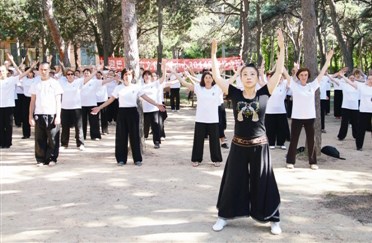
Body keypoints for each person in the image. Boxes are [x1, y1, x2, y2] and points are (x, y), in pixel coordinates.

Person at [210, 29, 285, 235]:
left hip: (260, 146)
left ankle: (273, 218)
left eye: (252, 74)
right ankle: (224, 216)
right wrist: (214, 55)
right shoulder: (233, 92)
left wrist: (281, 49)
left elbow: (278, 72)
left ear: (257, 76)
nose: (249, 77)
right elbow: (216, 76)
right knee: (233, 181)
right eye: (245, 74)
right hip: (238, 146)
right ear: (241, 77)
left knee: (264, 180)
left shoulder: (264, 92)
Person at [91, 68, 165, 166]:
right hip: (122, 112)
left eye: (129, 74)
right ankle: (121, 159)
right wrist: (99, 108)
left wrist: (157, 104)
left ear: (132, 77)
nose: (127, 76)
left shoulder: (136, 87)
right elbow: (110, 100)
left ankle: (137, 159)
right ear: (123, 76)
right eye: (125, 74)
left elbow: (146, 97)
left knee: (135, 136)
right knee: (121, 136)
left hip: (133, 112)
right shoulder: (118, 88)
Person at [286, 50, 334, 170]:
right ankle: (290, 161)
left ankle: (313, 162)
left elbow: (322, 73)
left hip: (309, 117)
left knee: (311, 140)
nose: (303, 77)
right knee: (294, 140)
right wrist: (281, 49)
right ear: (298, 76)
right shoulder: (294, 85)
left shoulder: (312, 86)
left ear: (308, 76)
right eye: (301, 75)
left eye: (305, 75)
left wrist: (328, 60)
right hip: (297, 117)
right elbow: (284, 72)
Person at [173, 69, 223, 167]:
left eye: (210, 77)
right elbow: (183, 83)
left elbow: (228, 82)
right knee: (198, 140)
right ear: (203, 79)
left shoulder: (217, 88)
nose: (208, 79)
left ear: (213, 79)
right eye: (206, 77)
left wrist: (237, 73)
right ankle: (196, 159)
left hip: (213, 119)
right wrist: (175, 73)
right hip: (201, 119)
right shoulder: (198, 88)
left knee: (214, 141)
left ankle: (216, 159)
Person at [29, 62, 64, 166]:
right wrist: (30, 116)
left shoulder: (55, 83)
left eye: (45, 70)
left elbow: (58, 101)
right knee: (40, 138)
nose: (43, 72)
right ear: (38, 70)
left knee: (53, 138)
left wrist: (58, 116)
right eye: (41, 70)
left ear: (49, 70)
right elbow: (32, 101)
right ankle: (40, 159)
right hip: (39, 114)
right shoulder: (35, 84)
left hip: (52, 114)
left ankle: (52, 158)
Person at [0, 56, 37, 149]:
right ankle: (1, 142)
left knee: (8, 125)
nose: (1, 73)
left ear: (6, 72)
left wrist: (31, 67)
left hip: (8, 105)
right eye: (0, 71)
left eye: (3, 71)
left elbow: (23, 74)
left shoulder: (11, 80)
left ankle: (8, 143)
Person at [338, 73, 372, 150]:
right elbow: (350, 83)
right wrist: (343, 76)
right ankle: (359, 146)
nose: (370, 81)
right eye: (369, 79)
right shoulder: (362, 86)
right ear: (366, 80)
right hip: (364, 111)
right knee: (361, 129)